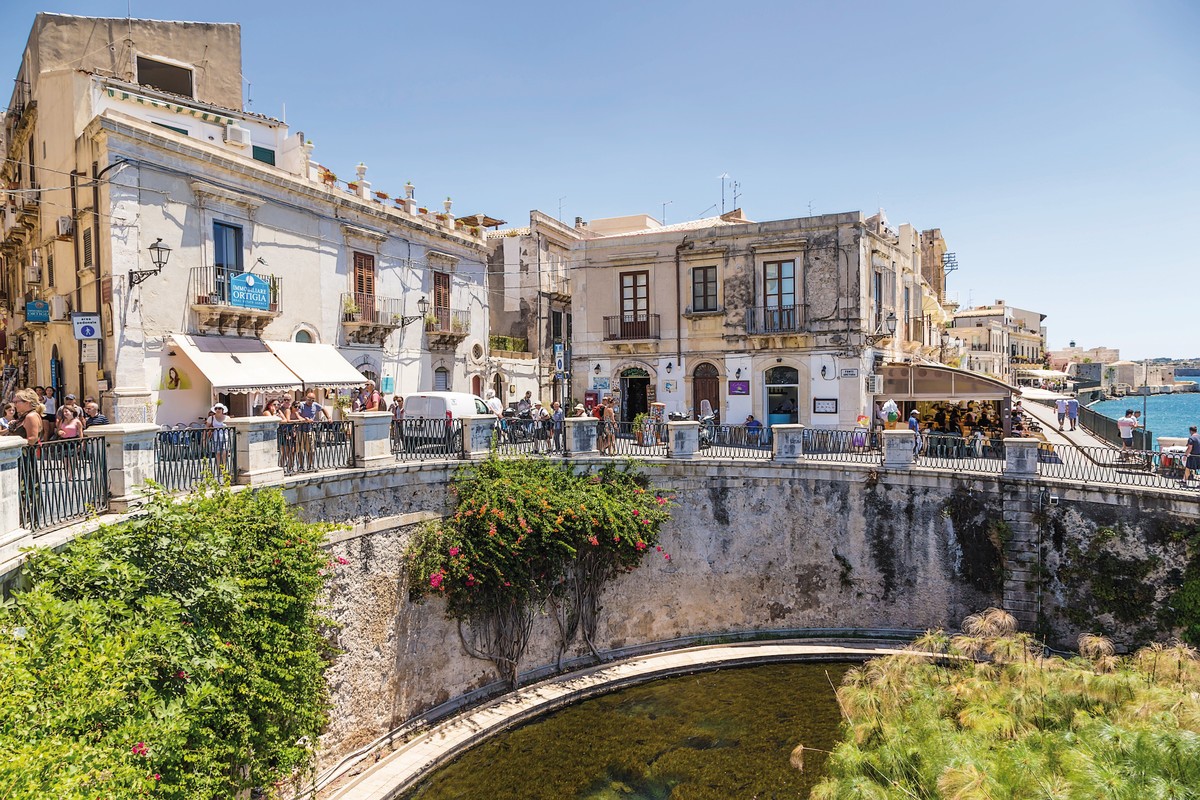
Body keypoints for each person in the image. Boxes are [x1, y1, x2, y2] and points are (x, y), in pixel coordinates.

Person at [296, 391, 330, 471]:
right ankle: (301, 466)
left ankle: (310, 465)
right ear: (306, 398)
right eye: (309, 399)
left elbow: (323, 408)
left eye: (312, 400)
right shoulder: (301, 405)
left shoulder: (315, 405)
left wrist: (329, 417)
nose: (310, 401)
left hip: (310, 430)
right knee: (300, 449)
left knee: (311, 449)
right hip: (300, 430)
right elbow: (296, 412)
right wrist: (303, 419)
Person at [205, 403, 231, 471]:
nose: (217, 410)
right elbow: (206, 427)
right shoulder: (211, 418)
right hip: (216, 438)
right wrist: (205, 437)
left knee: (225, 453)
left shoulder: (227, 418)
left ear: (222, 410)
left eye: (219, 408)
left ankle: (224, 468)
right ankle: (219, 469)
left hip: (226, 438)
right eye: (216, 408)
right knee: (218, 454)